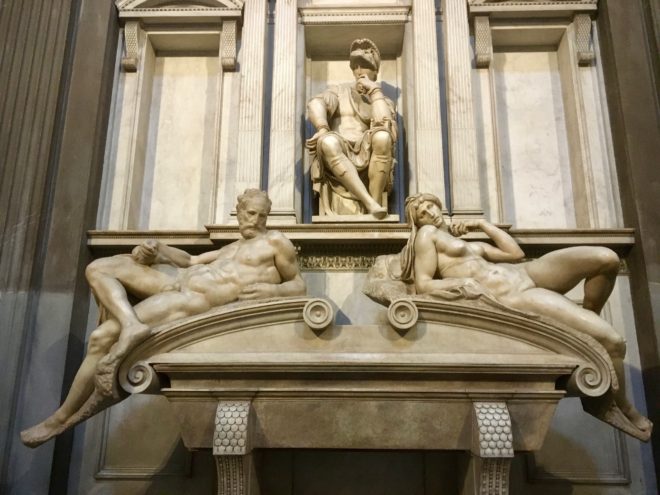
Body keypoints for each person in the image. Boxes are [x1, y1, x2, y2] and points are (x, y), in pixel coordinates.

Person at [21, 189, 306, 447]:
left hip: (191, 301)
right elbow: (191, 262)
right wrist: (157, 250)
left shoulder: (275, 241)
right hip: (178, 282)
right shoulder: (231, 248)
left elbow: (298, 285)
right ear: (240, 211)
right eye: (250, 213)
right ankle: (131, 324)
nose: (255, 221)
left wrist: (270, 289)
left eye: (262, 216)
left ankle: (59, 419)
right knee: (99, 267)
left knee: (101, 337)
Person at [400, 192, 652, 436]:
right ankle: (621, 407)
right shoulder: (426, 235)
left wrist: (482, 224)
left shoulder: (467, 244)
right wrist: (461, 285)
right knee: (613, 343)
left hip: (528, 272)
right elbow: (423, 284)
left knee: (606, 258)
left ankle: (587, 318)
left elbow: (515, 254)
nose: (430, 213)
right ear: (417, 222)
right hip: (516, 296)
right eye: (422, 213)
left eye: (431, 206)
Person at [306, 38, 397, 218]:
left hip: (368, 149)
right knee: (328, 141)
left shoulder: (382, 100)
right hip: (339, 149)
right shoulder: (339, 91)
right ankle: (370, 204)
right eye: (355, 66)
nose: (359, 71)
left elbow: (385, 125)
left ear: (375, 70)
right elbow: (316, 103)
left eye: (364, 66)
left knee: (383, 137)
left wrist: (374, 92)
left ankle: (374, 201)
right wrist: (323, 127)